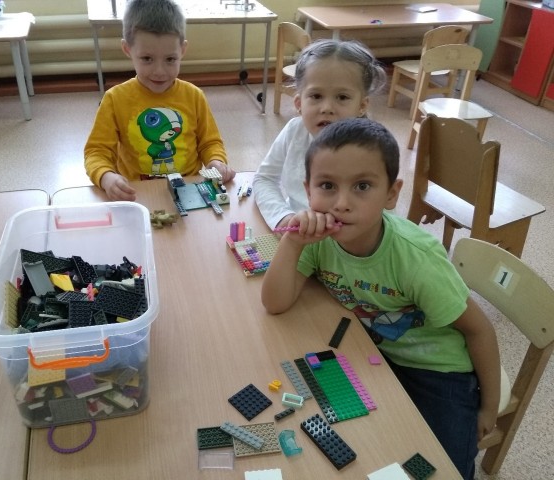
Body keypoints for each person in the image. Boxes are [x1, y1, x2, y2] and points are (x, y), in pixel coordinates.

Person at [261, 118, 501, 480]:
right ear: (307, 190)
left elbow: (479, 330)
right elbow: (275, 303)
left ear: (391, 193)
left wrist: (488, 407)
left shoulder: (417, 259)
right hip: (376, 354)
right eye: (327, 186)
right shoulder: (318, 239)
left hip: (440, 371)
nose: (341, 204)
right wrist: (292, 243)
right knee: (363, 446)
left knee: (445, 467)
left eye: (362, 186)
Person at [84, 0, 235, 201]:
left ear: (182, 50)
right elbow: (97, 151)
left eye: (170, 59)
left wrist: (215, 162)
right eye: (147, 59)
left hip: (190, 192)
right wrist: (106, 177)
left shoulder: (194, 96)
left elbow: (210, 143)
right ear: (127, 49)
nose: (159, 71)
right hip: (137, 194)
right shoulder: (115, 99)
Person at [253, 39, 387, 230]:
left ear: (362, 105)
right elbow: (264, 179)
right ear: (299, 103)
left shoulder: (372, 149)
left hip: (347, 239)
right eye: (316, 96)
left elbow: (378, 212)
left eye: (342, 97)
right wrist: (282, 217)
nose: (327, 108)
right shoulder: (295, 131)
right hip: (298, 232)